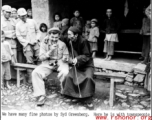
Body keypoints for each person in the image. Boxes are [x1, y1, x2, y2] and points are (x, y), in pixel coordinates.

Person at [31, 27, 69, 105]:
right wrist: (50, 51)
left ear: (59, 36)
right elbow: (41, 58)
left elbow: (66, 55)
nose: (54, 39)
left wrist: (65, 58)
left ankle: (64, 92)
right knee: (35, 72)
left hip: (60, 61)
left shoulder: (62, 44)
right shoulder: (44, 43)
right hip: (48, 62)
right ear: (48, 35)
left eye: (56, 37)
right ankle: (41, 95)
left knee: (65, 72)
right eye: (52, 37)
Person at [61, 26, 95, 106]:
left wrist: (77, 58)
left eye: (70, 35)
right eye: (68, 34)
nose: (68, 36)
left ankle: (86, 98)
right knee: (69, 76)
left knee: (88, 78)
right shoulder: (70, 40)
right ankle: (71, 95)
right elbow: (60, 37)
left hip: (87, 65)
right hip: (77, 64)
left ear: (76, 35)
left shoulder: (84, 41)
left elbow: (87, 55)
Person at [16, 8, 39, 83]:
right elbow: (19, 37)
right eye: (22, 16)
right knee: (29, 61)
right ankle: (31, 79)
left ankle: (41, 77)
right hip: (27, 46)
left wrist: (37, 39)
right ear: (19, 16)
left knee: (40, 59)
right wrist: (28, 42)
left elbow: (38, 31)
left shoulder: (32, 21)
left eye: (25, 15)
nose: (24, 17)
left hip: (36, 44)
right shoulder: (18, 25)